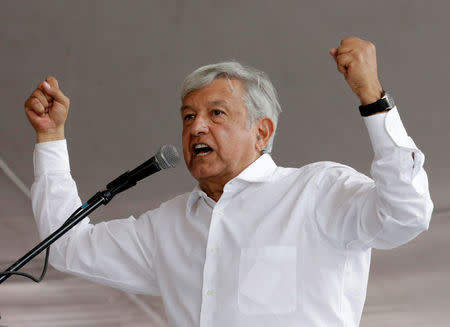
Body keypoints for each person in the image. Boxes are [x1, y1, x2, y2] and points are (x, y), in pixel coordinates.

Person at [24, 37, 433, 327]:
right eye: (188, 116)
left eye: (216, 114)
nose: (196, 127)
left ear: (262, 133)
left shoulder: (317, 192)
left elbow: (406, 214)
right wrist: (50, 138)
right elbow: (65, 248)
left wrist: (373, 99)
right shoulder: (169, 225)